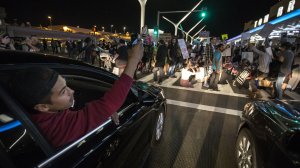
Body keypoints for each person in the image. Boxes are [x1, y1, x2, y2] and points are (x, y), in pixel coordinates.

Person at [10, 41, 144, 148]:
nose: (72, 91)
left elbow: (83, 111)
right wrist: (134, 59)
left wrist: (102, 111)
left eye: (66, 85)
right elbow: (108, 104)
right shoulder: (55, 131)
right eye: (63, 92)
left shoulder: (43, 114)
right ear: (43, 107)